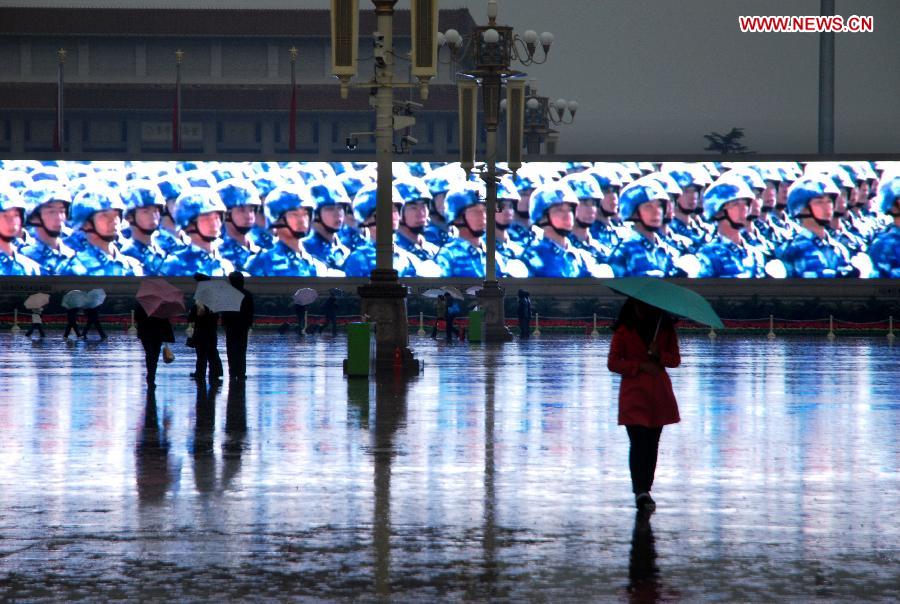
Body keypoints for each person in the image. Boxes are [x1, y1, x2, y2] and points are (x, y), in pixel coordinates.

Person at [607, 298, 681, 513]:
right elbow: (613, 363)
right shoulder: (623, 331)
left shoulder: (664, 330)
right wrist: (639, 366)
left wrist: (659, 354)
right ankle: (640, 489)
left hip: (659, 395)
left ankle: (646, 487)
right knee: (639, 443)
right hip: (634, 396)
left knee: (651, 445)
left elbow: (675, 360)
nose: (642, 310)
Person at [189, 274, 223, 382]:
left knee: (201, 353)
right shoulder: (215, 297)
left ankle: (200, 372)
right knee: (212, 352)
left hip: (202, 329)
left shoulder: (200, 299)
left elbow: (193, 316)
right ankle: (215, 372)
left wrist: (191, 314)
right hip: (211, 330)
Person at [134, 302, 175, 388]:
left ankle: (150, 376)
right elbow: (165, 321)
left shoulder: (143, 304)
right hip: (157, 334)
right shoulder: (161, 306)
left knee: (149, 354)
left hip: (145, 334)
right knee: (155, 356)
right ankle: (151, 376)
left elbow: (137, 317)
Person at [222, 271, 254, 381]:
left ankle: (232, 371)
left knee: (231, 349)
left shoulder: (227, 295)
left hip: (230, 325)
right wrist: (249, 324)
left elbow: (224, 311)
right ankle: (241, 371)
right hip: (242, 325)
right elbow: (250, 311)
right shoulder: (247, 294)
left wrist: (224, 323)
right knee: (241, 348)